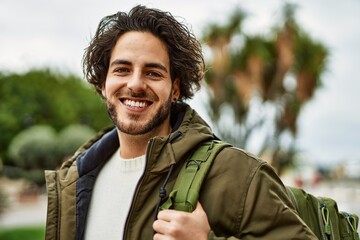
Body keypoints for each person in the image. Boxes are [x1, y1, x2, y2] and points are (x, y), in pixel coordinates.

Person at [45, 5, 318, 240]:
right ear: (104, 84)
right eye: (122, 69)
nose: (136, 84)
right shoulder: (74, 180)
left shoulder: (236, 173)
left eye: (153, 72)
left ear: (175, 89)